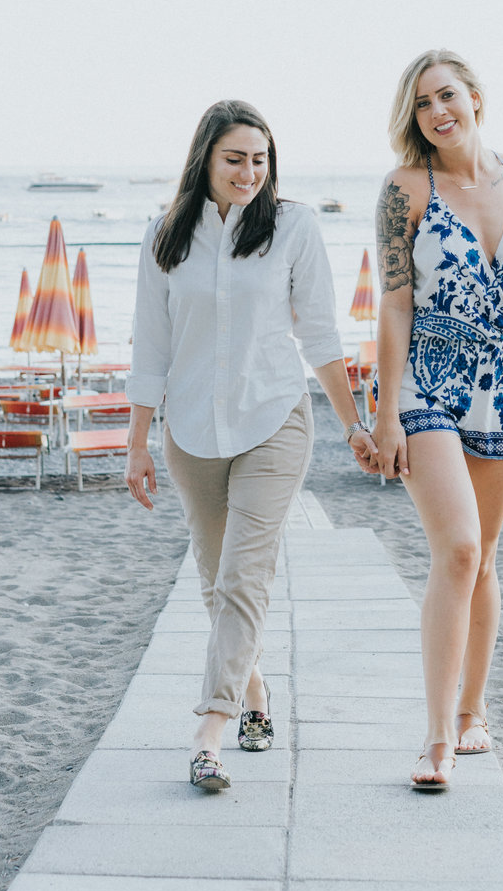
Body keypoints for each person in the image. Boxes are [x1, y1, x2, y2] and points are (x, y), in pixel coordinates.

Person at [124, 100, 377, 792]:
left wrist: (354, 424)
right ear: (205, 158)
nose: (248, 172)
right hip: (191, 433)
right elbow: (150, 347)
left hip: (274, 420)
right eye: (234, 158)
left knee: (244, 575)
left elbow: (319, 335)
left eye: (260, 159)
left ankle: (209, 730)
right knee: (215, 580)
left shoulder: (294, 226)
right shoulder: (164, 236)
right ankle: (255, 689)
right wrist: (137, 442)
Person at [372, 50, 503, 790]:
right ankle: (436, 736)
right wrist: (386, 412)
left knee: (484, 558)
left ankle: (475, 709)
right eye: (421, 104)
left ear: (476, 96)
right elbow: (394, 306)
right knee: (456, 549)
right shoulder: (404, 189)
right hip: (428, 382)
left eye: (446, 95)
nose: (436, 112)